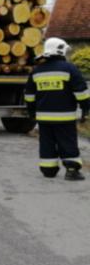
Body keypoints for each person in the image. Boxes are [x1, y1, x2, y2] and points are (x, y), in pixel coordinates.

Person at [25, 37, 89, 181]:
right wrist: (85, 109)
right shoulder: (70, 69)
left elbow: (29, 95)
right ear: (60, 50)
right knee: (67, 142)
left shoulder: (36, 71)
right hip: (64, 117)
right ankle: (72, 170)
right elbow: (81, 92)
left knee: (46, 143)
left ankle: (48, 170)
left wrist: (31, 113)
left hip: (43, 118)